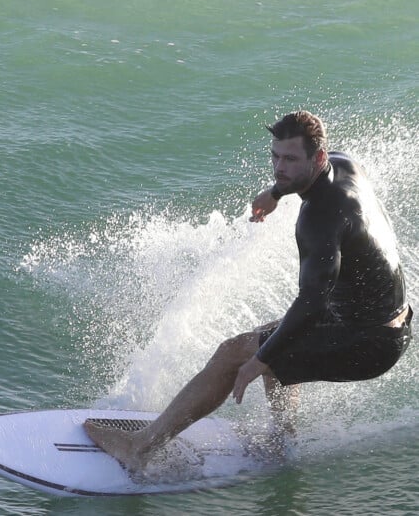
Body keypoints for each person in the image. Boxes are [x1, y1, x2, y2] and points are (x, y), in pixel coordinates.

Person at [84, 111, 413, 473]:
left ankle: (139, 448)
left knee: (237, 352)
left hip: (370, 342)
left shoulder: (320, 218)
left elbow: (312, 302)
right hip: (385, 322)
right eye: (275, 157)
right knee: (273, 340)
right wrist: (275, 193)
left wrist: (258, 359)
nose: (279, 167)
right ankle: (280, 444)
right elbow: (311, 307)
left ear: (318, 157)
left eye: (290, 159)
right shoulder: (343, 164)